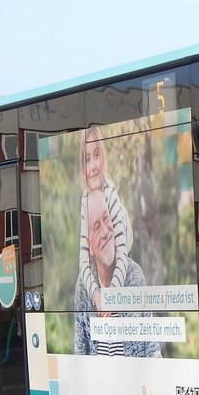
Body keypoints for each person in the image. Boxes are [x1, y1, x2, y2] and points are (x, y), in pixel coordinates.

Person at [74, 188, 159, 358]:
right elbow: (80, 351)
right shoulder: (84, 285)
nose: (105, 232)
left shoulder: (134, 276)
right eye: (96, 227)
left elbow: (151, 348)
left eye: (107, 219)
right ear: (89, 246)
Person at [77, 126, 133, 316]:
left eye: (96, 155)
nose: (93, 165)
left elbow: (122, 252)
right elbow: (83, 260)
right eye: (87, 159)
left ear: (103, 158)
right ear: (82, 167)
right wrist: (97, 296)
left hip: (122, 258)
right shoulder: (85, 200)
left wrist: (110, 297)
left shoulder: (110, 191)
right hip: (103, 271)